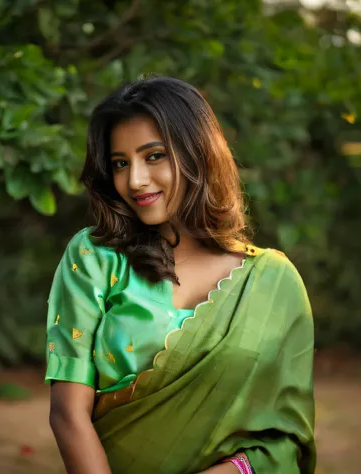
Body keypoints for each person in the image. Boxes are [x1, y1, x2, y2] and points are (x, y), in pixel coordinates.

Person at [45, 76, 316, 474]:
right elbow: (68, 414)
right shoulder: (96, 257)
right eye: (121, 163)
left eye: (153, 156)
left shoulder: (274, 282)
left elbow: (284, 439)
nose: (134, 180)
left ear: (198, 154)